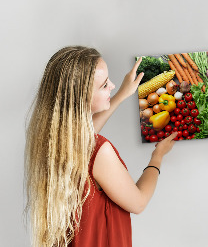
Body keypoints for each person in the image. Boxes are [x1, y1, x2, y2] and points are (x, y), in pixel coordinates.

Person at [24, 46, 178, 247]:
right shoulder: (100, 151)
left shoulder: (53, 139)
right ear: (82, 97)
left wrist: (122, 94)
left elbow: (85, 137)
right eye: (105, 85)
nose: (113, 85)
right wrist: (157, 157)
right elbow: (138, 202)